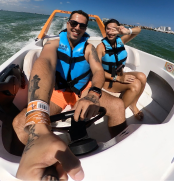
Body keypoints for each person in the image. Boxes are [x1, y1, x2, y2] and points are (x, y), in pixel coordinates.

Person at [13, 10, 126, 180]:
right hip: (58, 93)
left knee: (117, 106)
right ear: (67, 24)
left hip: (84, 91)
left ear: (85, 28)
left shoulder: (89, 48)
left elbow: (98, 71)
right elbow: (45, 62)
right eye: (74, 23)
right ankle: (35, 163)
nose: (77, 27)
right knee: (21, 123)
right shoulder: (53, 44)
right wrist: (37, 114)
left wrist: (93, 94)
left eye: (82, 25)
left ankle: (120, 150)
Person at [96, 19, 147, 121]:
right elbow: (97, 71)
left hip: (120, 74)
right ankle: (118, 113)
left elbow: (139, 30)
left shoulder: (121, 41)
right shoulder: (100, 48)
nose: (110, 32)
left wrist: (127, 32)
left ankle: (133, 104)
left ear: (119, 30)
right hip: (108, 80)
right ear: (105, 30)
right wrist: (118, 78)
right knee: (135, 84)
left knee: (142, 76)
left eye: (114, 29)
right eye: (108, 29)